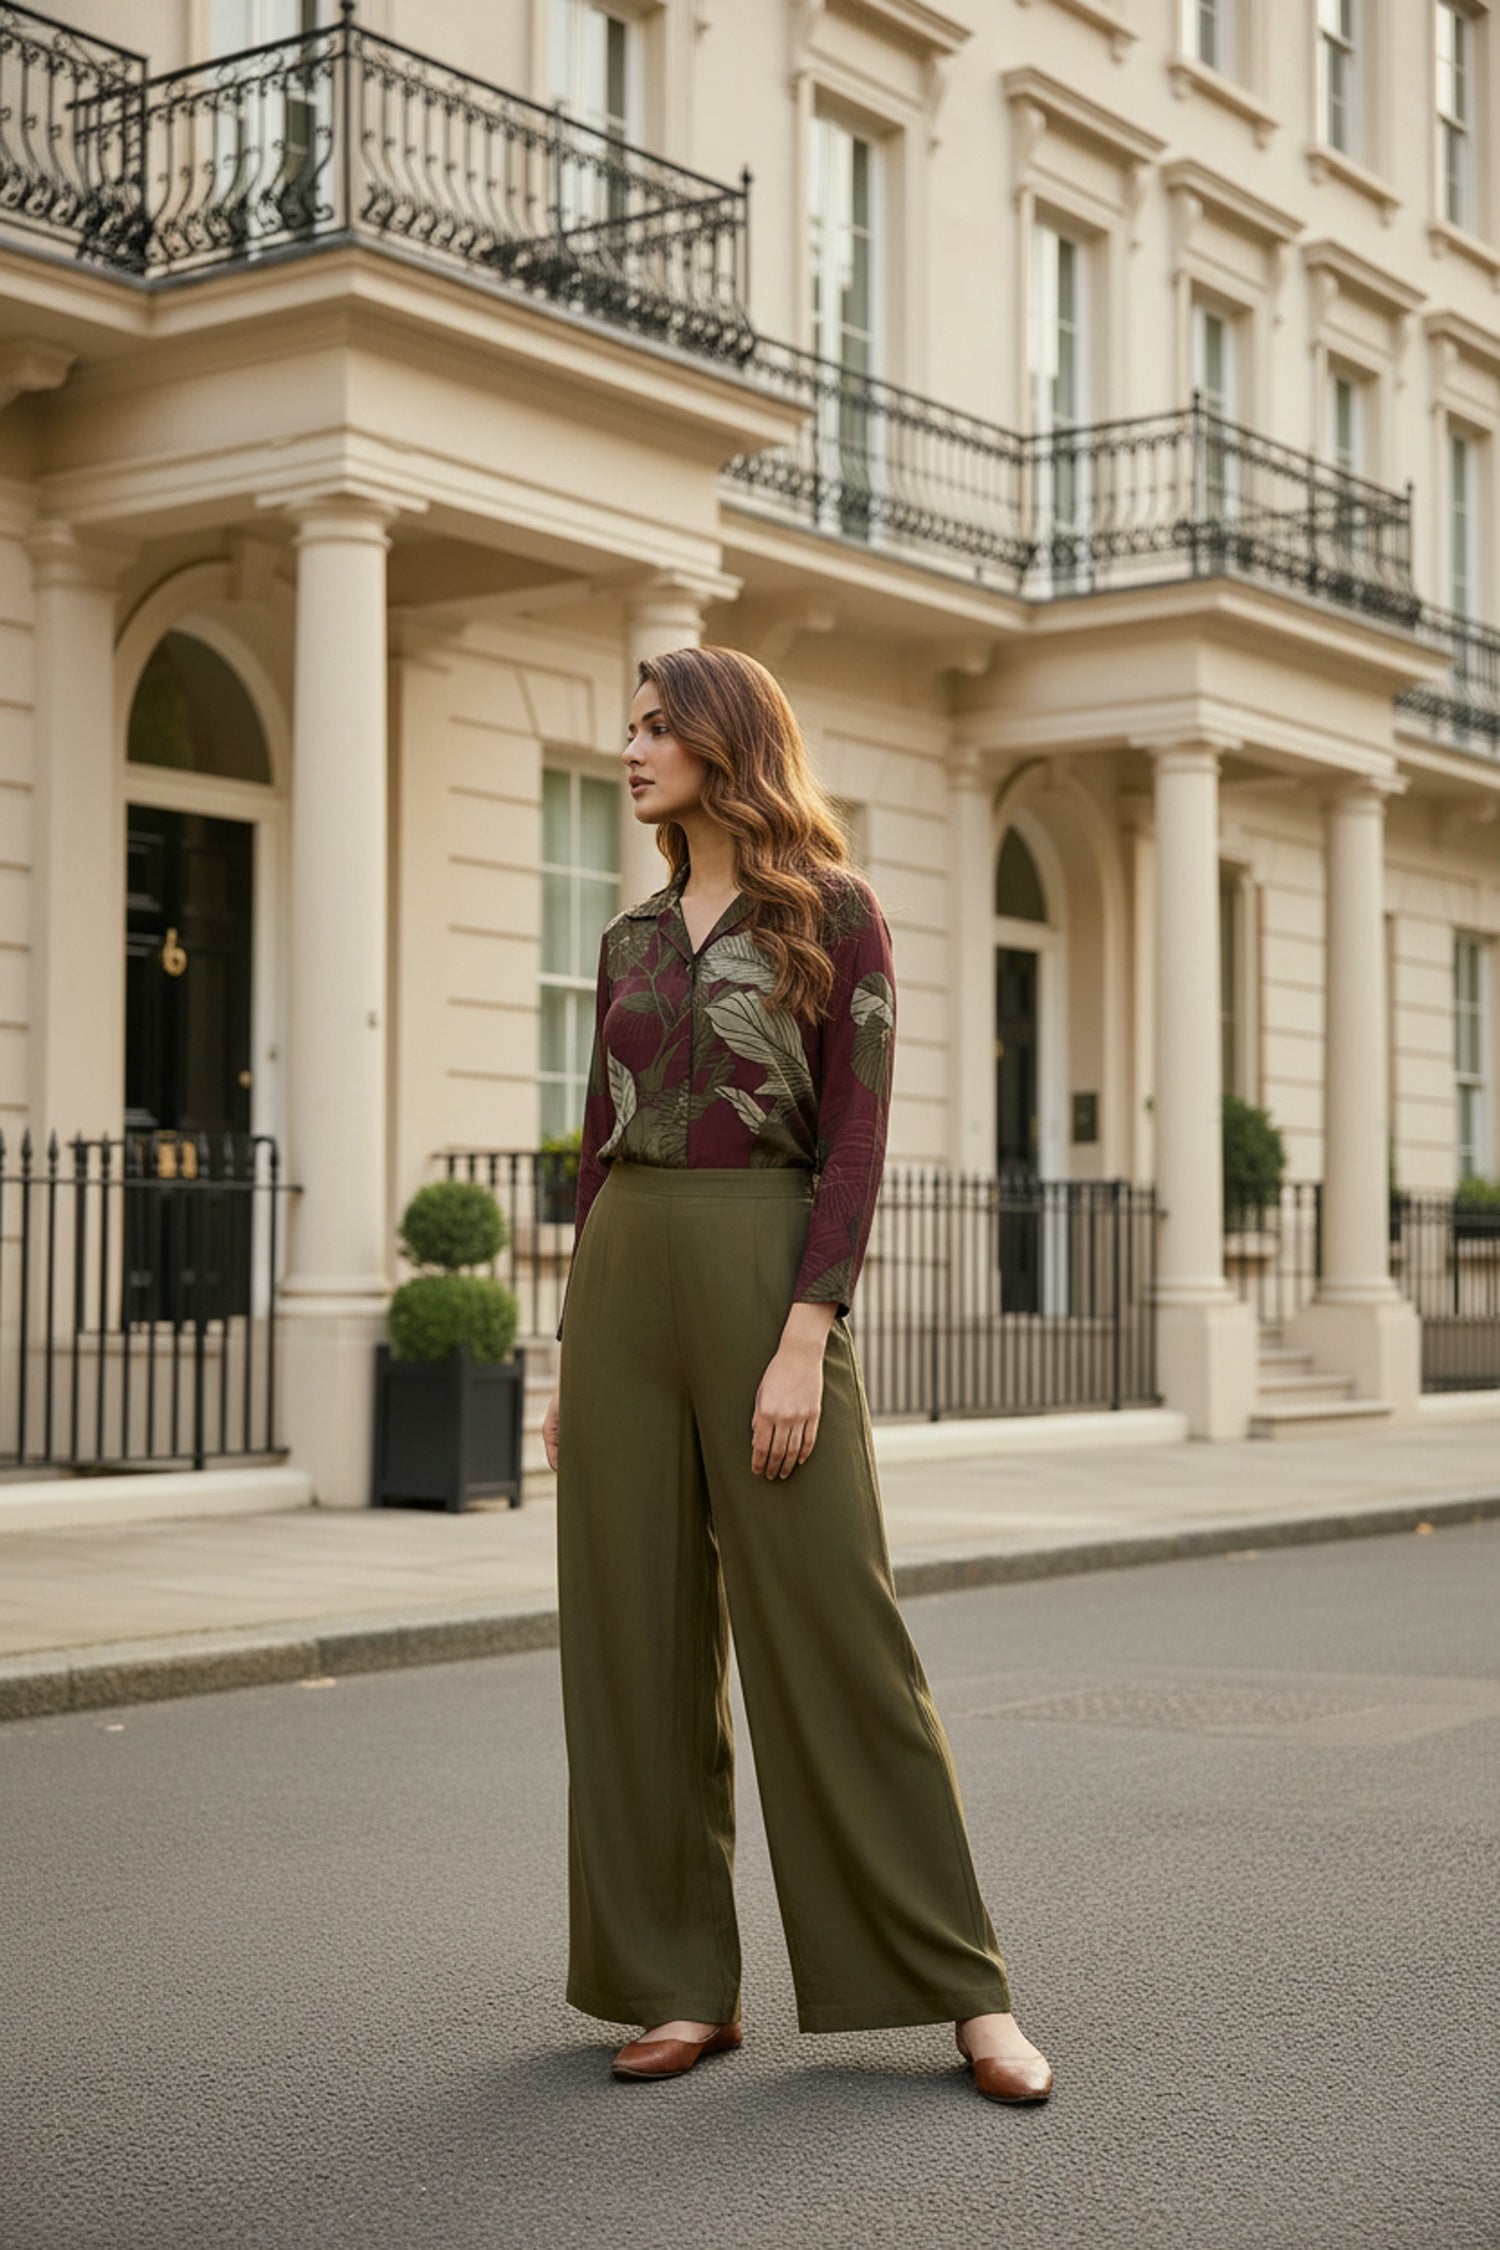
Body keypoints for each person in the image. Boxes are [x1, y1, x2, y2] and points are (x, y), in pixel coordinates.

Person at [541, 647, 1052, 2105]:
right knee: (631, 1645)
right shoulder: (632, 938)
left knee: (841, 1633)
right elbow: (597, 1145)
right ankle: (675, 1982)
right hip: (628, 1280)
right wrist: (574, 1345)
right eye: (628, 721)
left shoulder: (836, 915)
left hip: (771, 1274)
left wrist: (806, 1330)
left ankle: (965, 1988)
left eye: (655, 726)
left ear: (724, 742)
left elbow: (856, 1141)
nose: (630, 746)